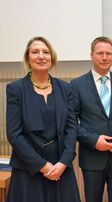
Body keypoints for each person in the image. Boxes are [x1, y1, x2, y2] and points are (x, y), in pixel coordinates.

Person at [6, 36, 80, 202]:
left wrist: (63, 163)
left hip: (61, 168)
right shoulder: (15, 89)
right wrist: (42, 166)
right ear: (27, 58)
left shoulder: (65, 88)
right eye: (35, 52)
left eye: (45, 52)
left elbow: (71, 128)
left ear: (52, 58)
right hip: (28, 169)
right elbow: (14, 134)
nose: (41, 56)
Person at [70, 36, 112, 202]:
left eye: (108, 53)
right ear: (91, 55)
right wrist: (93, 140)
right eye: (100, 53)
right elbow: (71, 122)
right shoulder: (77, 85)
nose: (105, 57)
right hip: (92, 157)